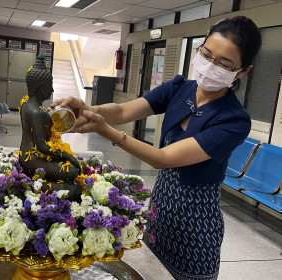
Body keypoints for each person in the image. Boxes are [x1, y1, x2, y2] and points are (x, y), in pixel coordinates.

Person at [49, 16, 262, 280]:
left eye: (223, 63)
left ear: (242, 71)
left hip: (196, 226)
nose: (210, 66)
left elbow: (163, 158)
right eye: (206, 54)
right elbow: (125, 109)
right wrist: (87, 108)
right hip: (160, 210)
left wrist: (105, 130)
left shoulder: (234, 119)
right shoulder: (179, 89)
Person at [19, 55, 81, 201]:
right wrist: (68, 156)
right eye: (49, 86)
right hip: (33, 159)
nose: (52, 89)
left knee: (71, 173)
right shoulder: (38, 112)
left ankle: (37, 183)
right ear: (40, 88)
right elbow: (41, 147)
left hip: (25, 155)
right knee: (72, 171)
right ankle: (36, 185)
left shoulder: (25, 104)